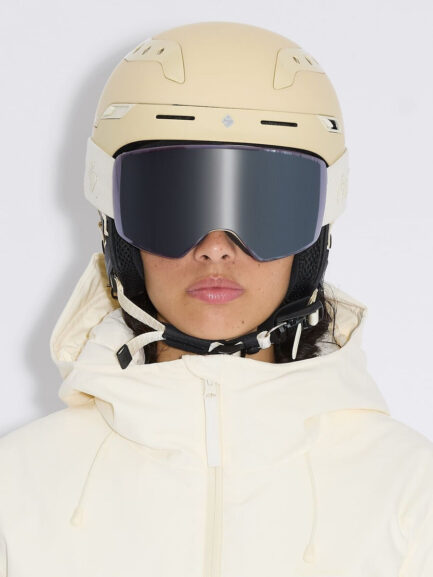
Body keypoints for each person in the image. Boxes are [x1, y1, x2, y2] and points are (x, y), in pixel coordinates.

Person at [0, 20, 432, 576]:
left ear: (315, 237)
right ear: (117, 229)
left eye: (265, 207)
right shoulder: (20, 488)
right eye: (173, 204)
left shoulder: (408, 492)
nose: (215, 247)